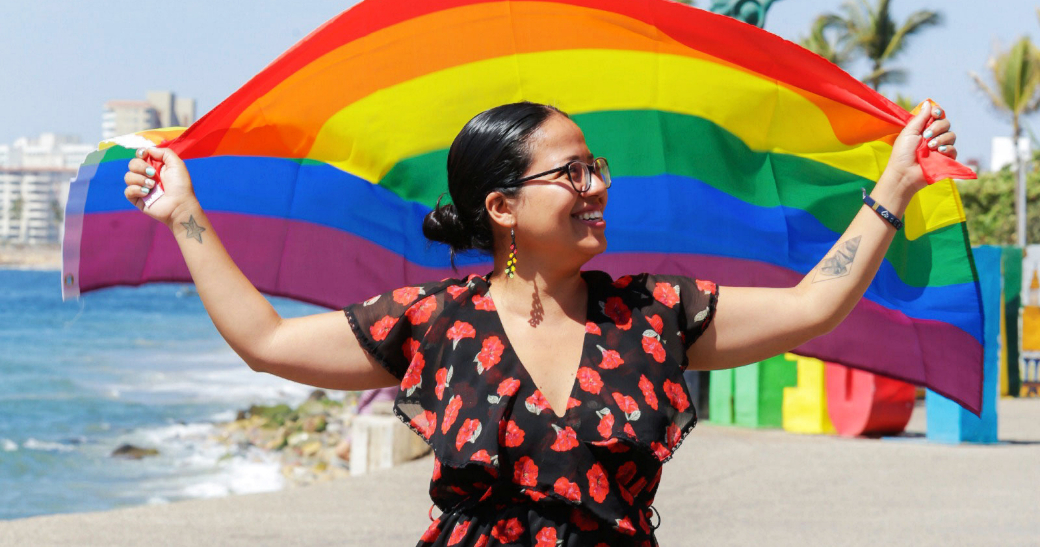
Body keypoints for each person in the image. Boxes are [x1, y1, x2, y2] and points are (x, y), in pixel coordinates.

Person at [122, 100, 957, 546]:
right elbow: (267, 344)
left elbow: (813, 306)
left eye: (595, 167)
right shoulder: (435, 324)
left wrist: (894, 187)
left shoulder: (655, 315)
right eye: (571, 172)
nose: (596, 184)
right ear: (503, 207)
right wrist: (184, 216)